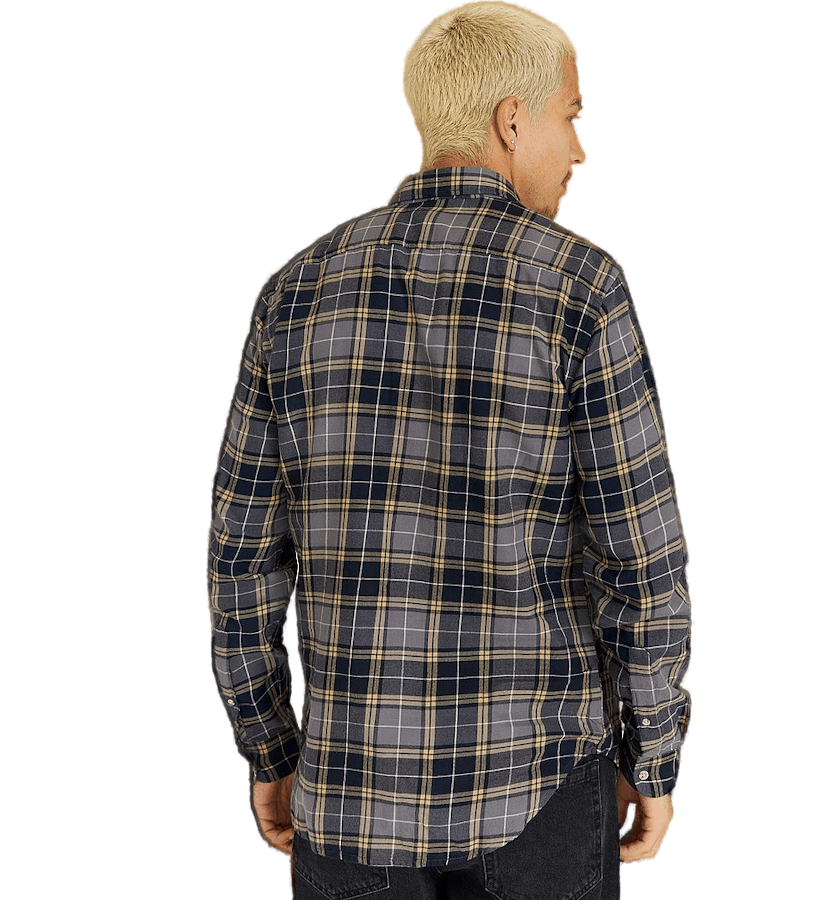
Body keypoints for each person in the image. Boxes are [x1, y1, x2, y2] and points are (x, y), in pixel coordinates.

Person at [207, 2, 691, 897]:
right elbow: (642, 556)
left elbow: (242, 563)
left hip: (348, 800)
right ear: (512, 120)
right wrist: (652, 754)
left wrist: (270, 747)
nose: (580, 150)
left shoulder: (293, 293)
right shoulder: (582, 287)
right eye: (571, 116)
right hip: (541, 792)